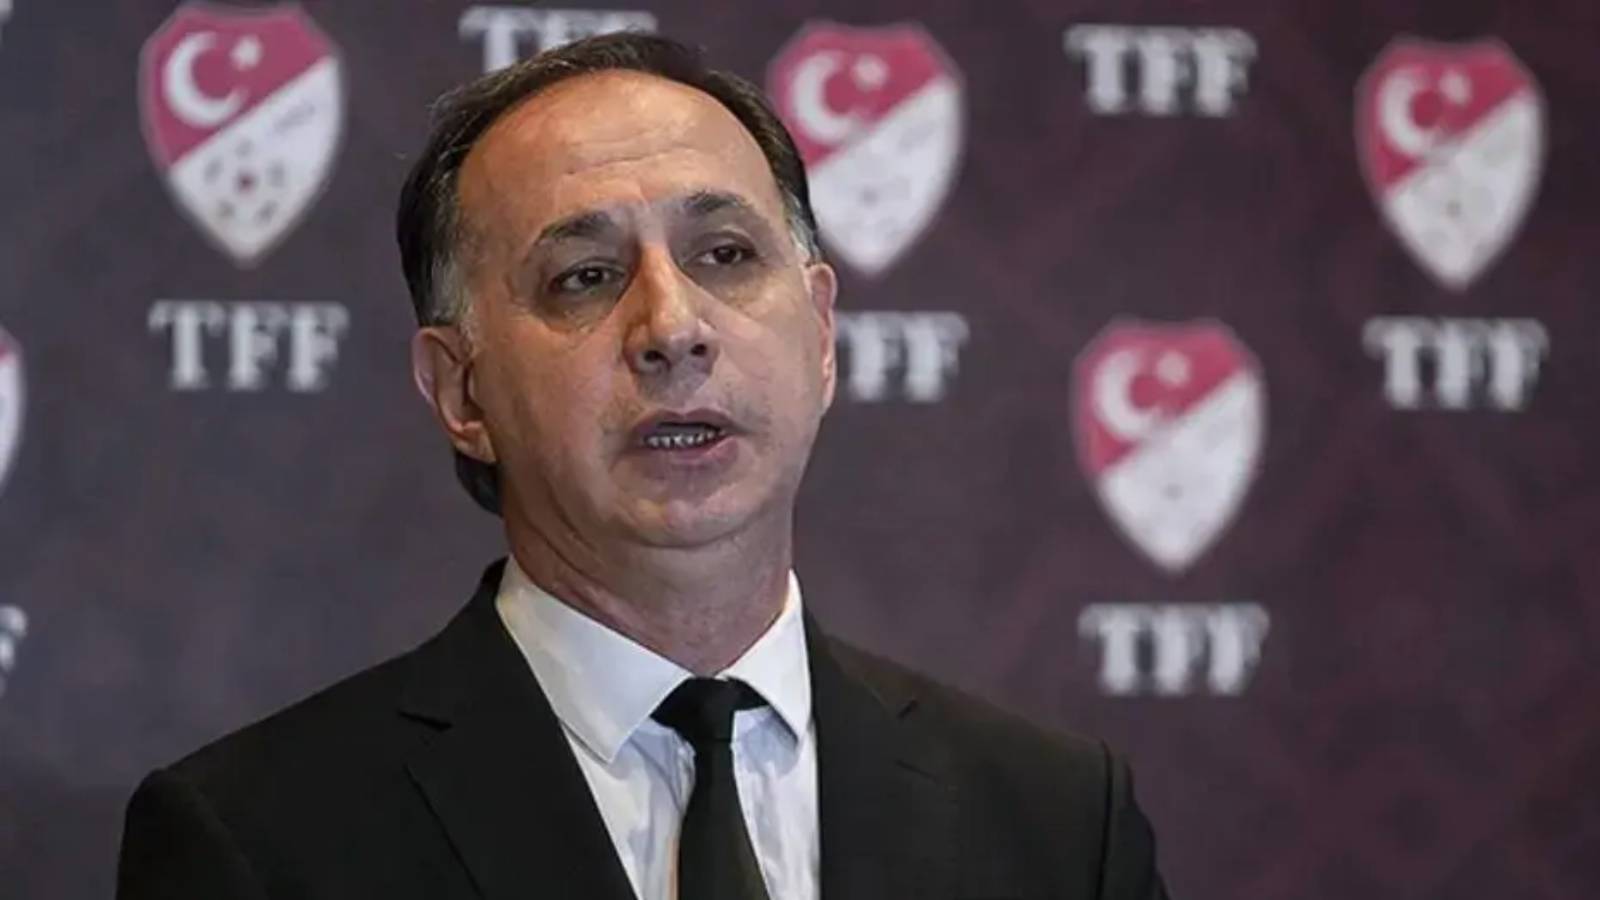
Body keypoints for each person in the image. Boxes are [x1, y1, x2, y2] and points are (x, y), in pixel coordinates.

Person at [116, 33, 1169, 900]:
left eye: (725, 256)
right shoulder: (258, 842)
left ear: (820, 336)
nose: (672, 328)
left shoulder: (1058, 822)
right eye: (584, 276)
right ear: (462, 392)